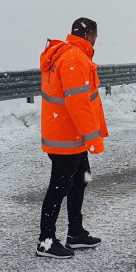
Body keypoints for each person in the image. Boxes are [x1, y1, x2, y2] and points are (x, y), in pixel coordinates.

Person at [36, 17, 108, 259]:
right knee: (59, 188)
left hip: (68, 135)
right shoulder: (75, 58)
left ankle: (75, 233)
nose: (97, 40)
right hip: (67, 138)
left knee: (80, 180)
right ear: (90, 35)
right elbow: (79, 104)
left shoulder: (65, 54)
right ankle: (46, 241)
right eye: (96, 36)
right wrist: (94, 139)